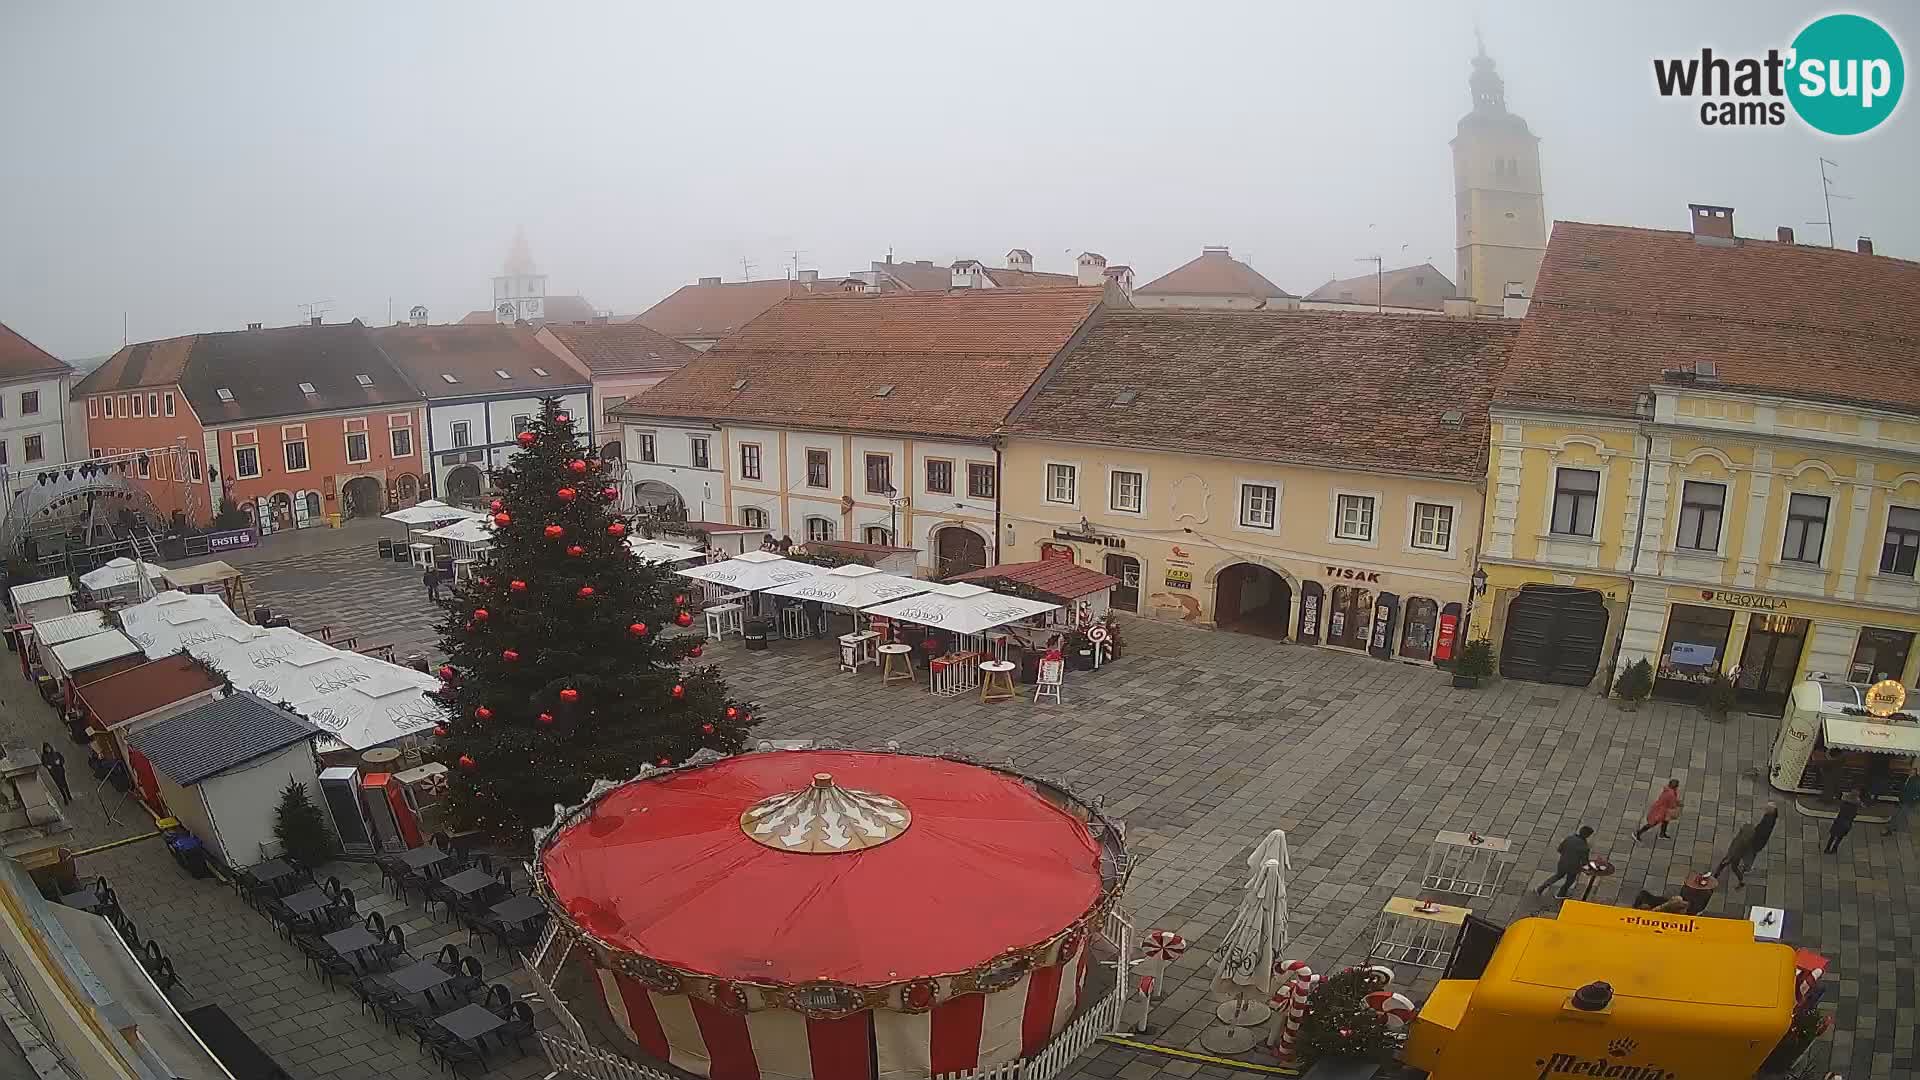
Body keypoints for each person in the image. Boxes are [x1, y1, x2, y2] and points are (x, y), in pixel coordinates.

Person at [1535, 825, 1594, 899]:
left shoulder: (1569, 838)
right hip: (1574, 867)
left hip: (1562, 862)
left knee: (1558, 876)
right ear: (1587, 835)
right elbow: (1584, 862)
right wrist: (1588, 870)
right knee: (1570, 880)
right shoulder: (1585, 847)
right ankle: (1561, 893)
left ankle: (1541, 888)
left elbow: (1559, 849)